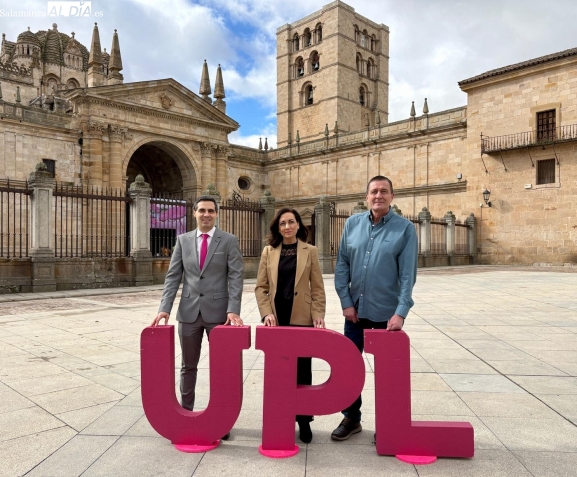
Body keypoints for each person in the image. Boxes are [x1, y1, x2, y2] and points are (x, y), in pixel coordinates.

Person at [331, 175, 418, 441]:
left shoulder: (405, 229)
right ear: (367, 196)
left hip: (386, 315)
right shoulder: (352, 224)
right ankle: (351, 418)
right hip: (355, 314)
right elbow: (342, 264)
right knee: (348, 368)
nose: (378, 195)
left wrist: (401, 312)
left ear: (392, 196)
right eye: (374, 191)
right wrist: (346, 302)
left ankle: (389, 424)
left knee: (388, 374)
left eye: (383, 191)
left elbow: (408, 274)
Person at [151, 195, 244, 441]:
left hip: (220, 315)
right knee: (187, 366)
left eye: (210, 211)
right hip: (189, 313)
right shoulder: (182, 241)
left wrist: (233, 309)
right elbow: (173, 277)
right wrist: (164, 308)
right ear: (194, 213)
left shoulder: (229, 241)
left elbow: (236, 276)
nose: (206, 214)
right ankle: (186, 414)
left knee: (222, 369)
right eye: (202, 210)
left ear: (216, 214)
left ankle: (222, 420)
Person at [255, 207, 326, 444]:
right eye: (282, 223)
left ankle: (304, 420)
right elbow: (261, 288)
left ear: (298, 225)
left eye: (291, 222)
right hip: (277, 319)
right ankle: (281, 416)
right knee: (279, 371)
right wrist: (266, 313)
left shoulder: (310, 251)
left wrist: (318, 314)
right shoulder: (268, 251)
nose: (287, 227)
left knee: (303, 371)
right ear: (277, 227)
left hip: (302, 318)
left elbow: (317, 288)